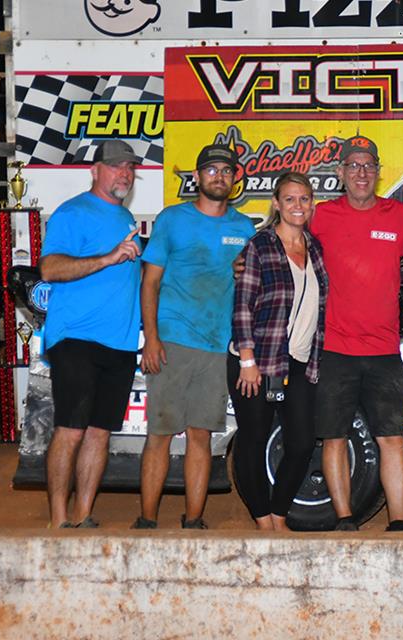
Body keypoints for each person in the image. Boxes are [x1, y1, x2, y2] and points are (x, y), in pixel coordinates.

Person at [311, 134, 403, 532]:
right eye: (353, 165)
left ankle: (399, 523)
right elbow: (287, 242)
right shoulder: (321, 215)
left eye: (368, 166)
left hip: (385, 352)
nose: (361, 172)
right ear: (340, 173)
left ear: (377, 173)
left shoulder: (398, 215)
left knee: (392, 439)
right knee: (334, 438)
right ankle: (344, 520)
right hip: (334, 349)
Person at [131, 144, 255, 530]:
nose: (220, 176)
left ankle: (194, 520)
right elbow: (149, 282)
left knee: (200, 436)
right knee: (161, 434)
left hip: (218, 347)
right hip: (172, 342)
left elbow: (251, 283)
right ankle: (147, 521)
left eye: (227, 171)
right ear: (197, 177)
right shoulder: (172, 219)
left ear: (236, 180)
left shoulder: (244, 228)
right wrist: (151, 338)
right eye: (212, 170)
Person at [39, 139, 143, 528]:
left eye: (130, 168)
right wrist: (107, 258)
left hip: (119, 342)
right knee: (71, 430)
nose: (125, 174)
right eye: (116, 166)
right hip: (77, 339)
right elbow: (49, 269)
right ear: (95, 170)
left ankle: (83, 515)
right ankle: (58, 519)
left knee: (99, 433)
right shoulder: (73, 212)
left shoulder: (125, 220)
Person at [230, 172, 327, 531]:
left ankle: (279, 513)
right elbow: (242, 306)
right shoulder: (259, 246)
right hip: (256, 361)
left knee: (301, 443)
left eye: (304, 199)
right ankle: (262, 519)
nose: (297, 206)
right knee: (252, 441)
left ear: (311, 204)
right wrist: (247, 360)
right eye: (289, 199)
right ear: (276, 203)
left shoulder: (316, 249)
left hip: (299, 363)